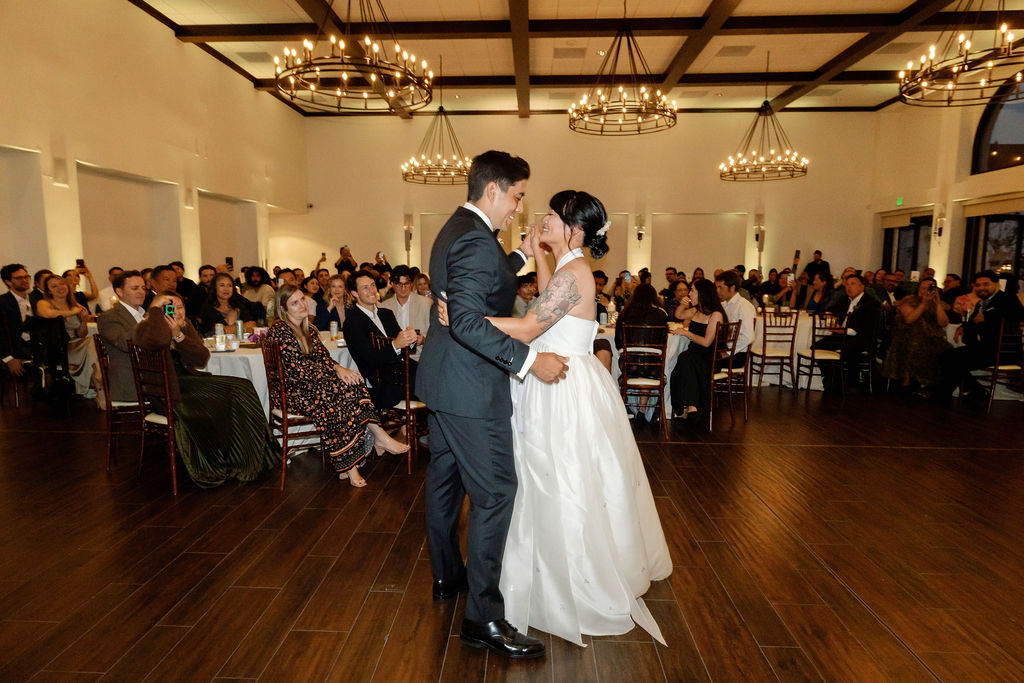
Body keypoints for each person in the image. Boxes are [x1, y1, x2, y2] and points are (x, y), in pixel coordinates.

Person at [480, 189, 671, 647]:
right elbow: (549, 297)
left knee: (560, 475)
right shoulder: (570, 268)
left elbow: (530, 326)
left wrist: (470, 319)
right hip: (562, 376)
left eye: (552, 214)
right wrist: (543, 250)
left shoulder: (577, 272)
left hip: (561, 386)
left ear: (576, 228)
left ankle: (572, 575)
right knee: (560, 474)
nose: (543, 217)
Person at [416, 150, 568, 660]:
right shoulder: (477, 240)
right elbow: (467, 320)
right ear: (494, 190)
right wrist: (528, 362)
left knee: (444, 481)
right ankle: (483, 618)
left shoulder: (453, 229)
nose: (519, 208)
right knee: (497, 491)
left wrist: (520, 259)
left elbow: (472, 291)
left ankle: (446, 576)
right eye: (518, 196)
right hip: (471, 390)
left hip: (441, 383)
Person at [265, 286, 408, 487]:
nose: (302, 305)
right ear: (284, 308)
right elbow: (299, 370)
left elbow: (324, 358)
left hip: (315, 388)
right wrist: (335, 376)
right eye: (294, 303)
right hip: (293, 392)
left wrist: (340, 369)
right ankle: (353, 464)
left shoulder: (309, 330)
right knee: (336, 396)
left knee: (353, 382)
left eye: (302, 300)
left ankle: (373, 442)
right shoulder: (279, 331)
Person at [134, 291, 279, 487]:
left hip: (189, 382)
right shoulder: (145, 329)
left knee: (242, 386)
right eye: (169, 307)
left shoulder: (185, 327)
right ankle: (234, 460)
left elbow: (201, 358)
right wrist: (155, 311)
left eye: (180, 307)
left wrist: (179, 335)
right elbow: (159, 340)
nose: (176, 312)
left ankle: (257, 455)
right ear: (159, 311)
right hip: (169, 391)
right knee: (234, 393)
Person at [936, 270, 1024, 399]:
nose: (981, 288)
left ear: (996, 284)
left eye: (985, 284)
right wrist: (964, 326)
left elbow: (1018, 316)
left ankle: (943, 395)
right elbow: (973, 322)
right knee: (946, 356)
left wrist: (986, 320)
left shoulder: (1007, 299)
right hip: (983, 348)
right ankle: (975, 390)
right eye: (978, 285)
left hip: (1001, 351)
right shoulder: (981, 304)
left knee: (954, 359)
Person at [342, 270, 421, 409]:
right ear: (354, 293)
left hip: (404, 370)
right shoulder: (352, 322)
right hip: (383, 381)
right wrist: (396, 345)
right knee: (431, 383)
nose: (372, 290)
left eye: (372, 285)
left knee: (437, 371)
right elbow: (370, 359)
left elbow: (406, 348)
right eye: (365, 287)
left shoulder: (386, 314)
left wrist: (411, 339)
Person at [669, 278, 726, 421]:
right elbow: (679, 315)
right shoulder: (696, 310)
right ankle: (689, 406)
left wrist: (687, 333)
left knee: (686, 360)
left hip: (709, 357)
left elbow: (707, 343)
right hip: (694, 354)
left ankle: (689, 406)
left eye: (693, 290)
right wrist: (682, 305)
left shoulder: (716, 314)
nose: (690, 293)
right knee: (684, 359)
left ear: (702, 293)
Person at [882, 278, 951, 392]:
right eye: (923, 288)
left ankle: (934, 384)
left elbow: (943, 323)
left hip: (932, 337)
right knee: (917, 346)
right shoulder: (909, 300)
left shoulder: (937, 304)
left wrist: (937, 303)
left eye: (929, 288)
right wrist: (923, 303)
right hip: (908, 335)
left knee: (946, 350)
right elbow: (909, 319)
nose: (925, 291)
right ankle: (909, 381)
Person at [36, 274, 98, 397]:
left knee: (94, 340)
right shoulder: (44, 303)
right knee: (92, 342)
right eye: (54, 286)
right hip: (57, 347)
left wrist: (84, 320)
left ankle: (94, 382)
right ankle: (91, 384)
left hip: (76, 343)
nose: (60, 288)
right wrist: (71, 312)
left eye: (62, 284)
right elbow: (47, 314)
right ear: (48, 290)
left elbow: (81, 334)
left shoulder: (75, 305)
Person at [97, 270, 148, 403]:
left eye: (143, 288)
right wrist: (146, 321)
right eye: (135, 288)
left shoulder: (145, 315)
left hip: (156, 379)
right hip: (131, 382)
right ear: (119, 292)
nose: (141, 292)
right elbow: (125, 344)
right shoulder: (109, 317)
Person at [380, 265, 430, 358]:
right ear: (392, 284)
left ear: (411, 284)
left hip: (419, 357)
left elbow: (435, 334)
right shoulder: (384, 306)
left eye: (406, 284)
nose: (403, 288)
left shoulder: (425, 303)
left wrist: (423, 340)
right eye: (399, 284)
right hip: (394, 358)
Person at [715, 270, 756, 368]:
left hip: (737, 354)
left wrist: (728, 352)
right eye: (716, 287)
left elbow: (748, 337)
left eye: (720, 287)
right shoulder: (724, 304)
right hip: (724, 348)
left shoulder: (744, 306)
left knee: (701, 362)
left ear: (732, 287)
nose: (717, 291)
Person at [1, 264, 34, 380]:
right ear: (8, 282)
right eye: (19, 278)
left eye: (26, 277)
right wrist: (8, 358)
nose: (25, 280)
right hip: (15, 351)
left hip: (37, 348)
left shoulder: (36, 299)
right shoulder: (3, 302)